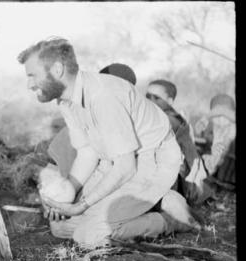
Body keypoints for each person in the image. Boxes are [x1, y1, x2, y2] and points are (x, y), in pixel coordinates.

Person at [17, 38, 199, 248]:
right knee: (60, 227)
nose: (29, 84)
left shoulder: (104, 96)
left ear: (57, 69)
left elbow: (126, 167)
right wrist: (68, 192)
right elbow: (87, 153)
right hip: (113, 161)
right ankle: (151, 204)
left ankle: (170, 219)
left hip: (149, 161)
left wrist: (80, 206)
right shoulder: (66, 100)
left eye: (33, 76)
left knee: (87, 236)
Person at [146, 79, 210, 204]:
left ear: (170, 101)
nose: (150, 100)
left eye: (157, 98)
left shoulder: (170, 119)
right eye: (148, 96)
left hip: (183, 179)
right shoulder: (159, 115)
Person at [194, 94, 236, 186]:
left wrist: (210, 115)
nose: (221, 119)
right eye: (217, 116)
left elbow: (227, 142)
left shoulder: (233, 126)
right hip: (217, 160)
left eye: (225, 115)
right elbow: (197, 130)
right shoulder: (214, 125)